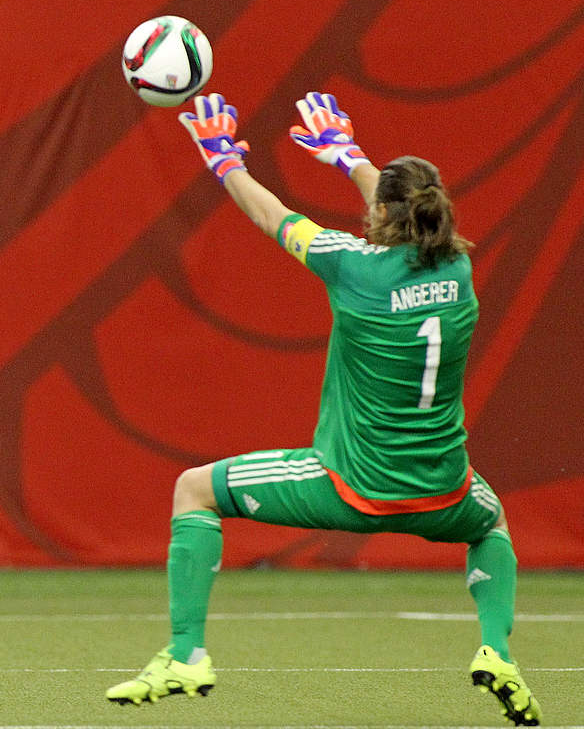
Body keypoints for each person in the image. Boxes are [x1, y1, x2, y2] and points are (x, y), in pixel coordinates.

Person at [104, 92, 541, 727]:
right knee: (491, 524)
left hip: (348, 487)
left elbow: (273, 216)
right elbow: (407, 214)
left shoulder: (351, 266)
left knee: (194, 490)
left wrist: (223, 160)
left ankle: (185, 654)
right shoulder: (460, 267)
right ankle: (497, 652)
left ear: (386, 213)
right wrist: (350, 157)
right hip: (444, 493)